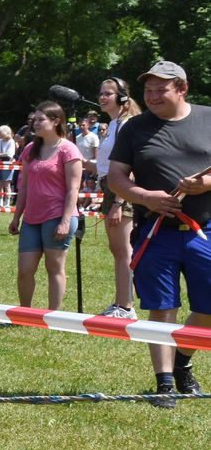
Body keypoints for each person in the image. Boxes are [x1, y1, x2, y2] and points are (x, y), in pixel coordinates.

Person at [106, 59, 211, 407]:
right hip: (155, 232)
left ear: (182, 89)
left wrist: (205, 184)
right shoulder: (134, 128)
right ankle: (164, 383)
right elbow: (116, 177)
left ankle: (182, 361)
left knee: (208, 306)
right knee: (162, 309)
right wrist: (143, 196)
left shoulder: (208, 118)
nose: (152, 96)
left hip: (204, 231)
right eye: (148, 90)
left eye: (160, 89)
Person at [7, 101, 82, 312]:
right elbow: (24, 187)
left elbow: (73, 189)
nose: (35, 123)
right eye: (34, 119)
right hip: (32, 218)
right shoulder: (30, 149)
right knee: (25, 269)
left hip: (57, 216)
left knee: (54, 268)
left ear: (56, 121)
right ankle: (26, 313)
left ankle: (53, 316)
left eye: (41, 119)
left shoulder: (69, 150)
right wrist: (16, 217)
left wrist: (65, 221)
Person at [94, 77, 141, 318]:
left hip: (120, 191)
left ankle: (125, 306)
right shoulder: (114, 124)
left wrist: (119, 203)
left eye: (108, 94)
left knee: (123, 250)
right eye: (101, 93)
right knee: (118, 249)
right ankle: (121, 302)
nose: (102, 97)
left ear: (122, 97)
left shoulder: (127, 124)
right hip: (110, 187)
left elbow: (130, 165)